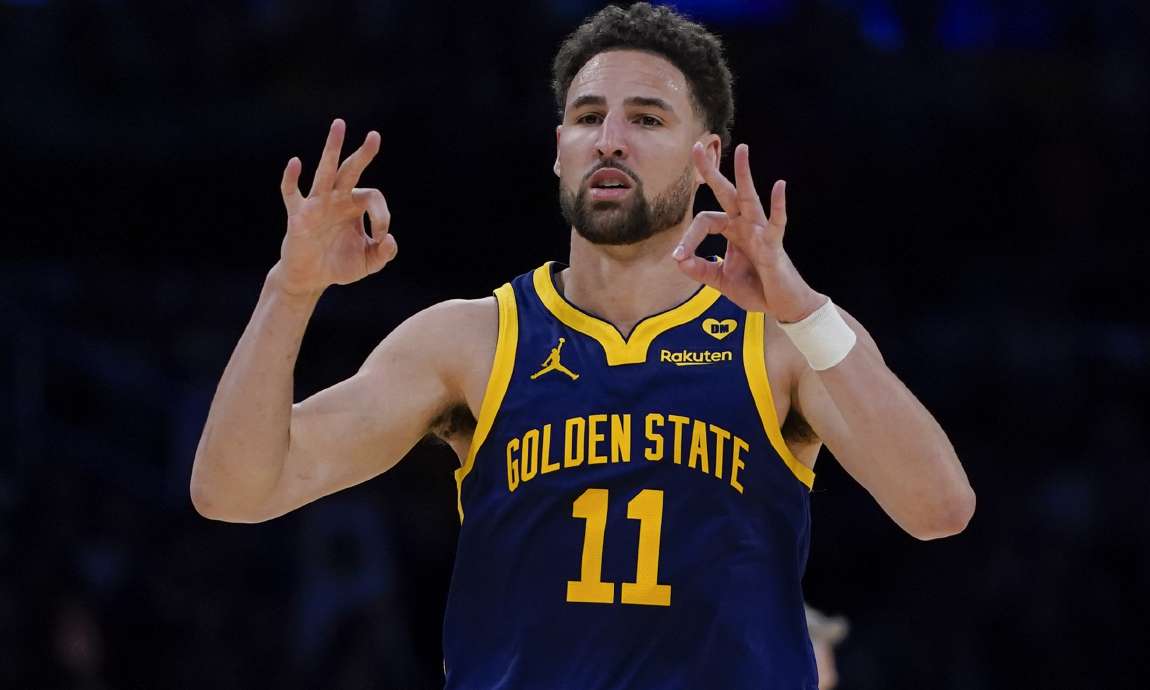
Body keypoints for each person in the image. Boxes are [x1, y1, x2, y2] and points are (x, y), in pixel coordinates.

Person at [189, 3, 975, 688]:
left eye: (647, 118)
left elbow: (939, 508)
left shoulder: (785, 340)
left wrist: (803, 306)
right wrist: (288, 292)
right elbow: (234, 492)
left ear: (708, 155)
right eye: (588, 115)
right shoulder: (472, 339)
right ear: (557, 147)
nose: (611, 139)